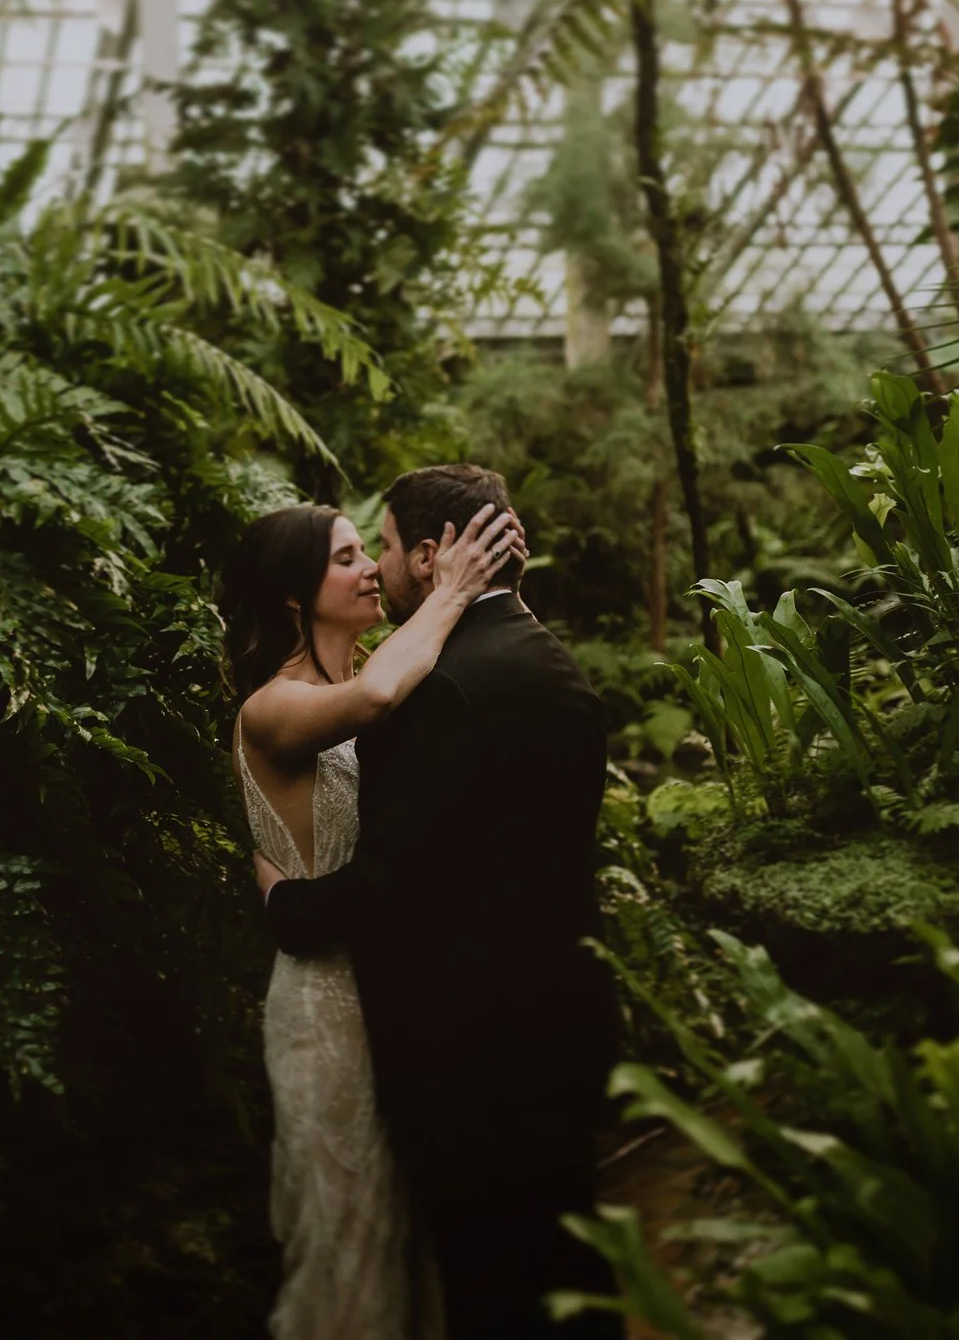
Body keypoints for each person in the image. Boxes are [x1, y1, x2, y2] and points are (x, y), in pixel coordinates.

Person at [257, 464, 622, 1340]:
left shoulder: (443, 688)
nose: (377, 567)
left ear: (430, 557)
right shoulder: (549, 662)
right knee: (569, 1264)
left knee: (492, 1280)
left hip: (474, 1051)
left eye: (380, 547)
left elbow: (394, 881)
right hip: (564, 1020)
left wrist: (286, 906)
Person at [220, 496, 526, 1339]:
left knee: (406, 1232)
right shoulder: (272, 705)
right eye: (348, 557)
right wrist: (454, 591)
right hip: (327, 1003)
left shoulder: (347, 685)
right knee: (347, 1230)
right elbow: (385, 691)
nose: (369, 572)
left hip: (394, 991)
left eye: (367, 551)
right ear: (293, 595)